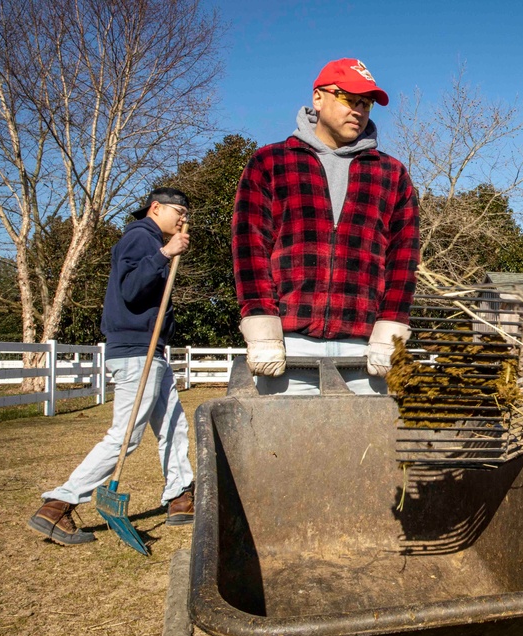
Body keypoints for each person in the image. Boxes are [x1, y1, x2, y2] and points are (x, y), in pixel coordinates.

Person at [232, 58, 419, 395]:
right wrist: (263, 331)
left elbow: (404, 261)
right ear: (318, 98)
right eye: (349, 98)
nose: (359, 110)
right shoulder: (270, 163)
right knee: (283, 447)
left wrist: (389, 335)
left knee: (366, 447)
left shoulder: (391, 174)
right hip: (289, 346)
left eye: (367, 103)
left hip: (364, 348)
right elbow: (250, 252)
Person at [28, 188, 196, 546]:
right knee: (125, 435)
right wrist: (165, 253)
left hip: (152, 349)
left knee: (172, 423)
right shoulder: (140, 238)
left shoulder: (148, 240)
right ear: (156, 208)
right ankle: (59, 504)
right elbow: (132, 290)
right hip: (137, 350)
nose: (183, 218)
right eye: (178, 211)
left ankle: (179, 496)